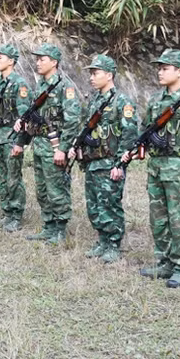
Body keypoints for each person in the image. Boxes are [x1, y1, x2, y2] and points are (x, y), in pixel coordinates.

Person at [122, 49, 180, 288]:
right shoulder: (156, 100)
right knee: (158, 220)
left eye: (165, 68)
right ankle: (164, 262)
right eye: (159, 67)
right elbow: (146, 130)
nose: (159, 71)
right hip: (156, 169)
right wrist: (137, 149)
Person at [69, 54, 138, 263]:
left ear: (109, 75)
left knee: (110, 204)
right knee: (94, 204)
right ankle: (102, 240)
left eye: (95, 73)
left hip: (110, 163)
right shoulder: (95, 99)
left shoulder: (121, 101)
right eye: (90, 73)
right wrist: (76, 146)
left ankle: (114, 244)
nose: (91, 77)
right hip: (92, 162)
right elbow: (85, 128)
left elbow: (129, 135)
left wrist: (121, 164)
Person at [12, 43, 81, 245]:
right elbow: (34, 118)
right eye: (37, 59)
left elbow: (73, 120)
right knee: (42, 190)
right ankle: (49, 226)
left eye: (42, 59)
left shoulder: (64, 87)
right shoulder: (40, 86)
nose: (38, 62)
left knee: (56, 189)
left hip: (54, 146)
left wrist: (62, 148)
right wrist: (21, 141)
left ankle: (60, 231)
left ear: (54, 62)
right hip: (40, 144)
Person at [0, 44, 32, 232]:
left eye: (0, 58)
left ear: (11, 61)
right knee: (0, 177)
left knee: (13, 178)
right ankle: (7, 212)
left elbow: (24, 117)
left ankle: (16, 214)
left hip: (11, 138)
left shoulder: (19, 84)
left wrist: (20, 142)